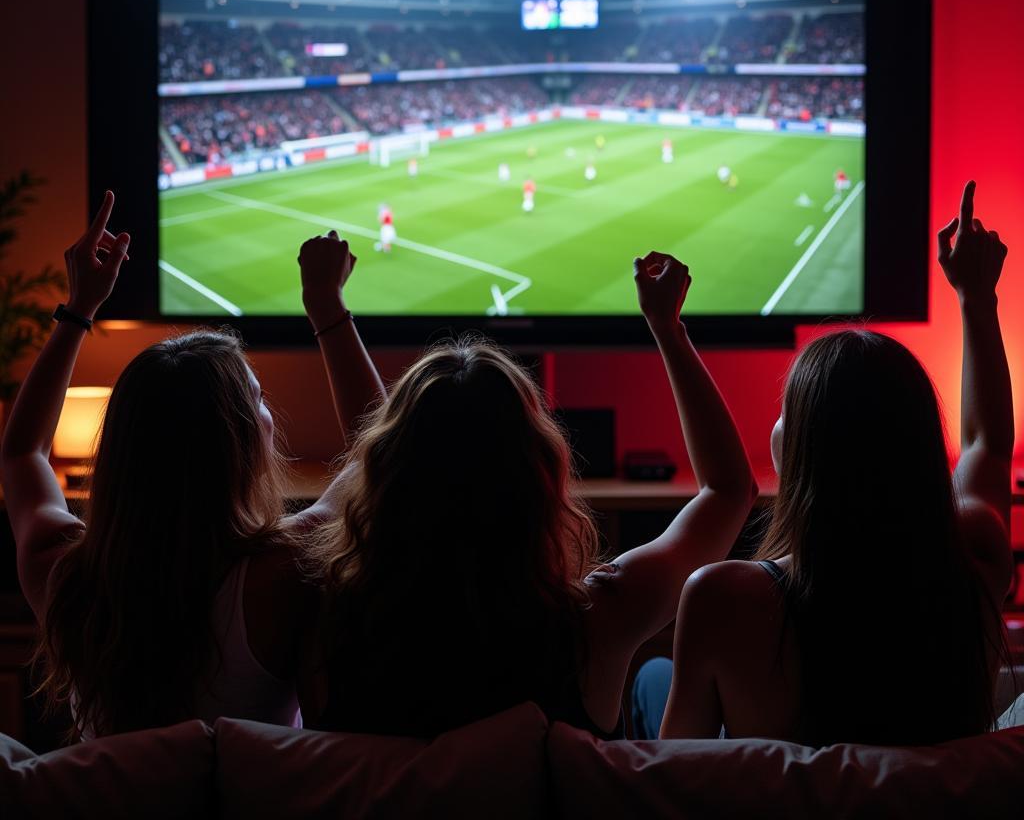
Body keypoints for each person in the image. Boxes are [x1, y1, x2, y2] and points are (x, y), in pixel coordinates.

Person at [297, 241, 758, 738]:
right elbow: (729, 490)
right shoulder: (596, 622)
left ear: (382, 475)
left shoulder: (319, 618)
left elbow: (381, 458)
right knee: (654, 680)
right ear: (541, 474)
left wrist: (327, 309)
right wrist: (667, 326)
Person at [0, 195, 383, 740]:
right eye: (259, 401)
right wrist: (326, 306)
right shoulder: (285, 570)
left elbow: (22, 455)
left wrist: (78, 309)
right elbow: (376, 446)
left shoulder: (67, 576)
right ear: (242, 443)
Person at [652, 180, 1012, 747]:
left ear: (802, 451)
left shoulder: (719, 598)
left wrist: (666, 327)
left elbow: (671, 781)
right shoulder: (977, 558)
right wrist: (977, 297)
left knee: (652, 679)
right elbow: (987, 445)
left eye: (783, 414)